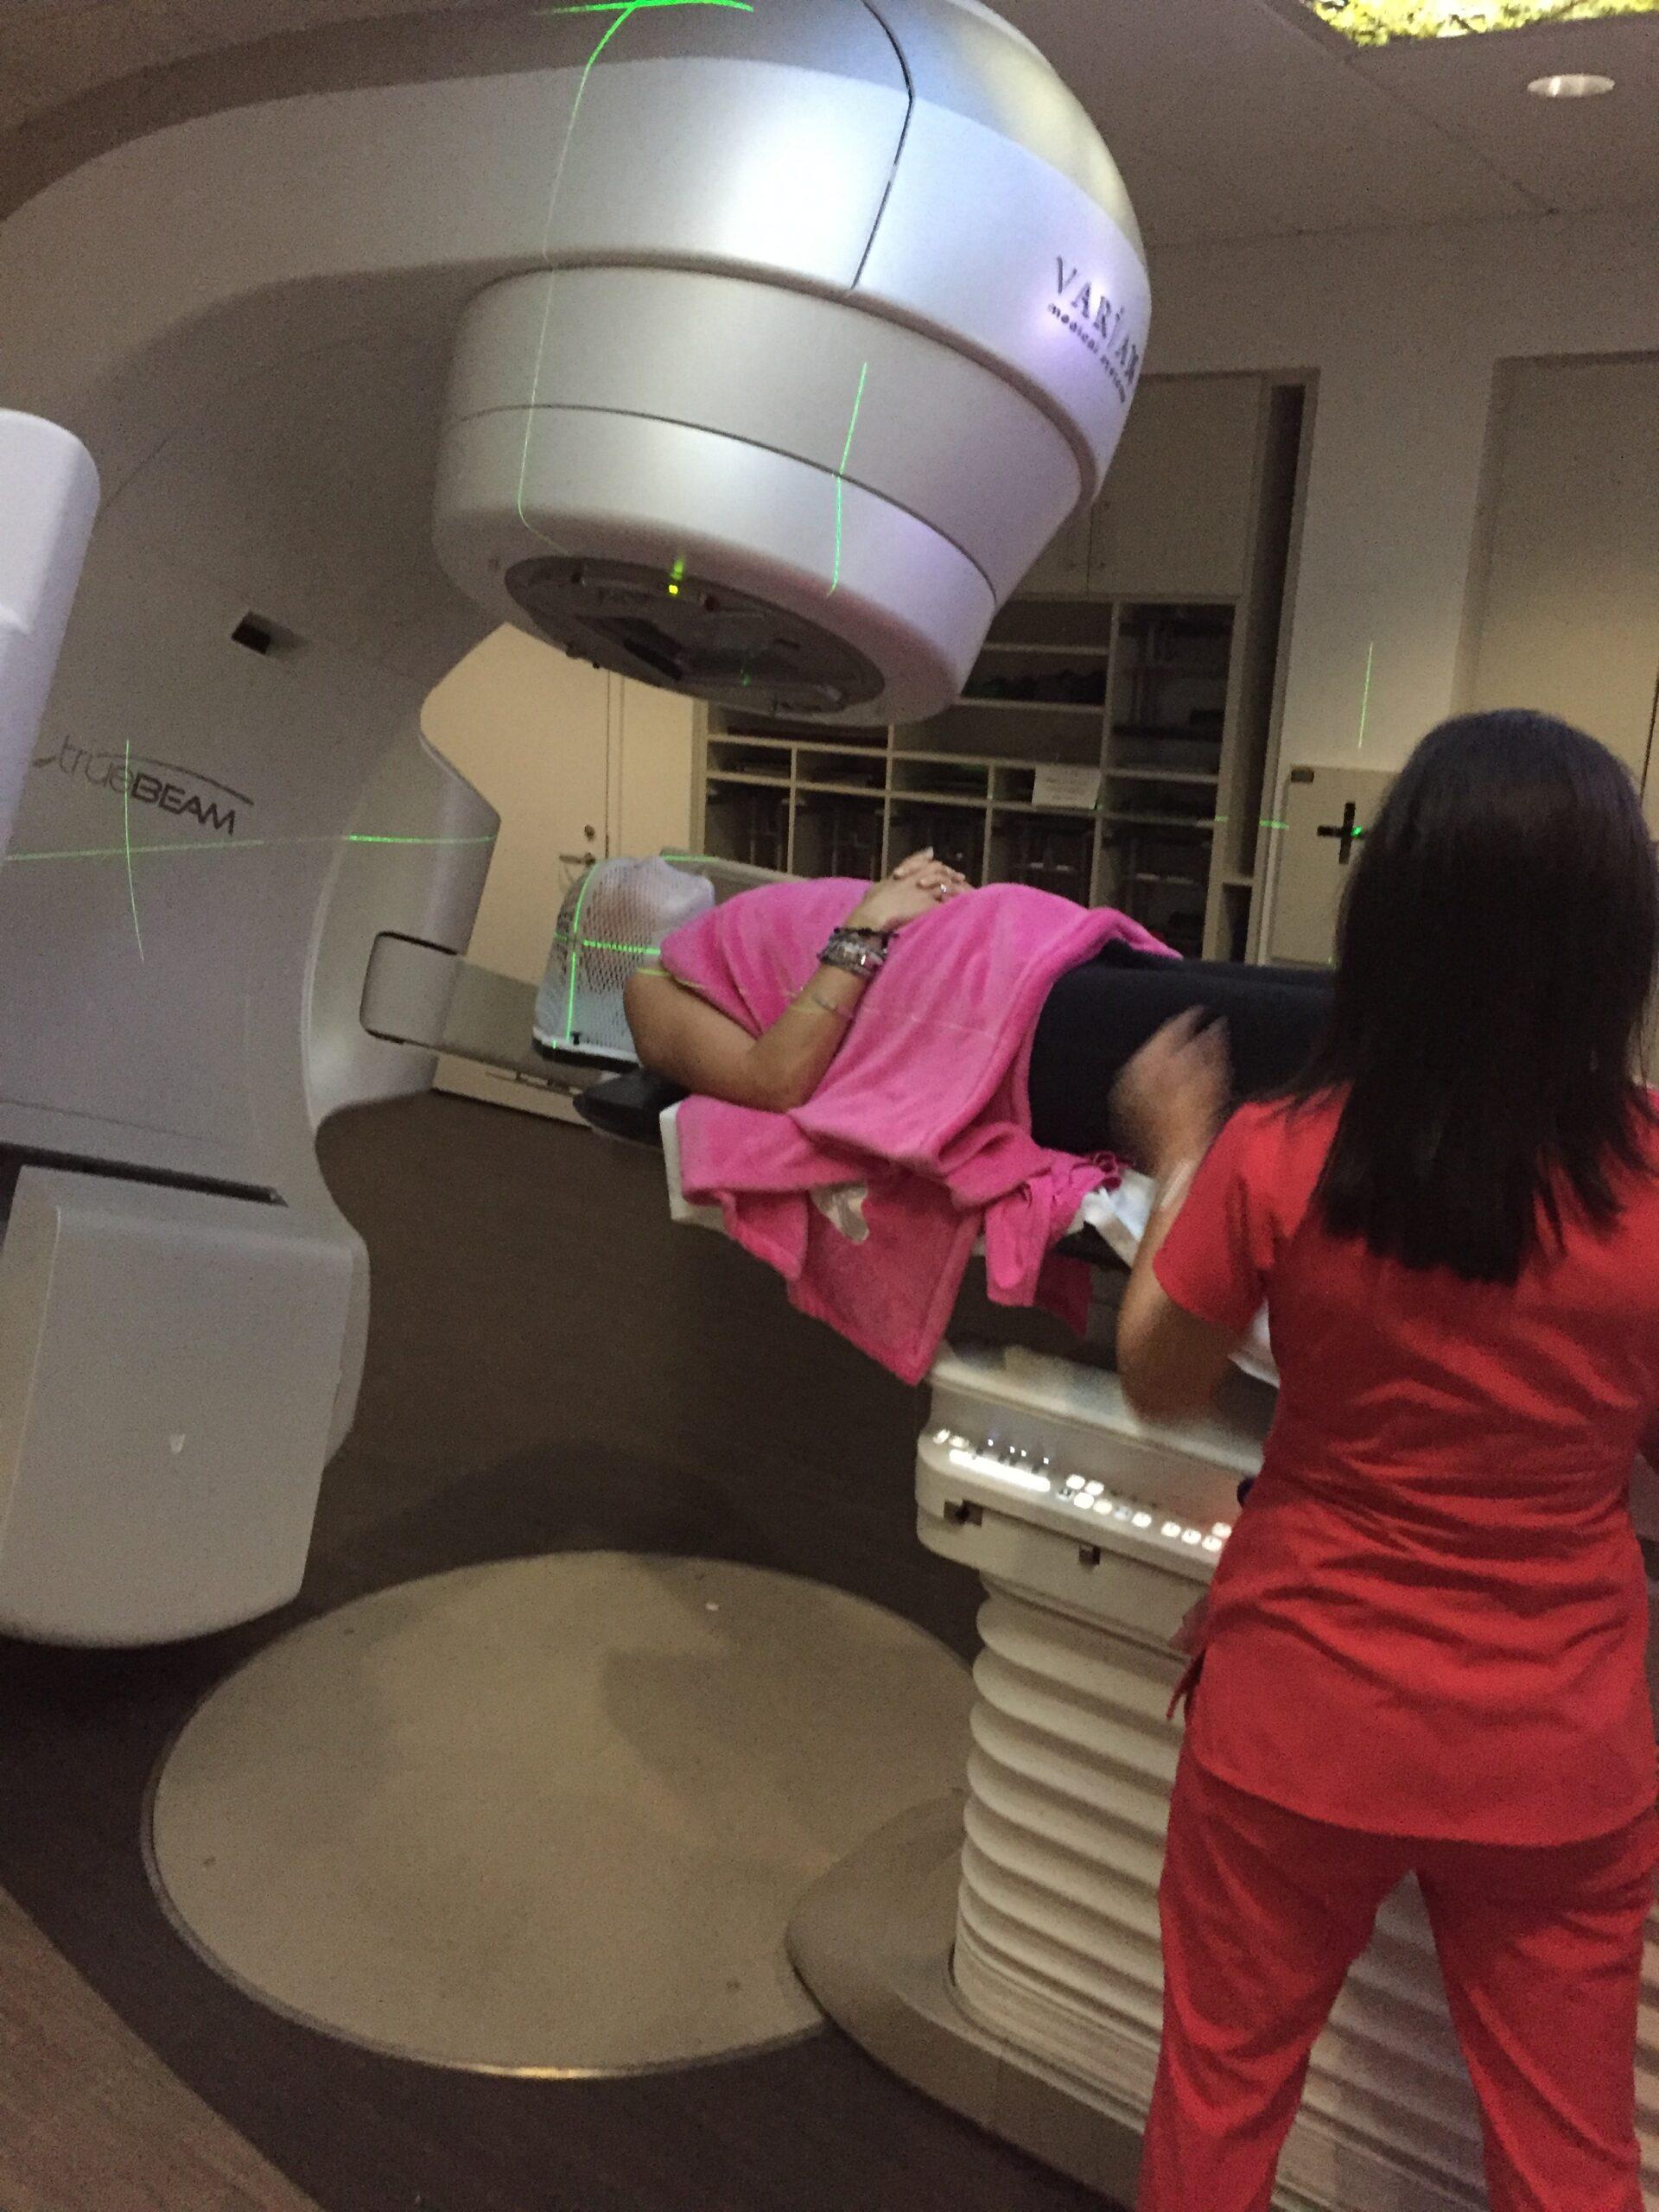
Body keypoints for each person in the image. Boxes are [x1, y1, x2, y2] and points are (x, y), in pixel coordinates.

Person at [1112, 709, 1659, 2212]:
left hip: (1297, 1716)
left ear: (1394, 919)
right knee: (1571, 2163)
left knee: (1219, 2106)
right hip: (1557, 1754)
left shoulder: (1280, 1153)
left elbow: (1161, 1379)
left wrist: (1178, 1144)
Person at [624, 851, 1332, 1137]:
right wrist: (868, 924)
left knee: (1335, 1004)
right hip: (991, 1027)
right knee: (1305, 1034)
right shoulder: (647, 988)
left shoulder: (722, 932)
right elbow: (774, 1080)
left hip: (1030, 951)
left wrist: (936, 900)